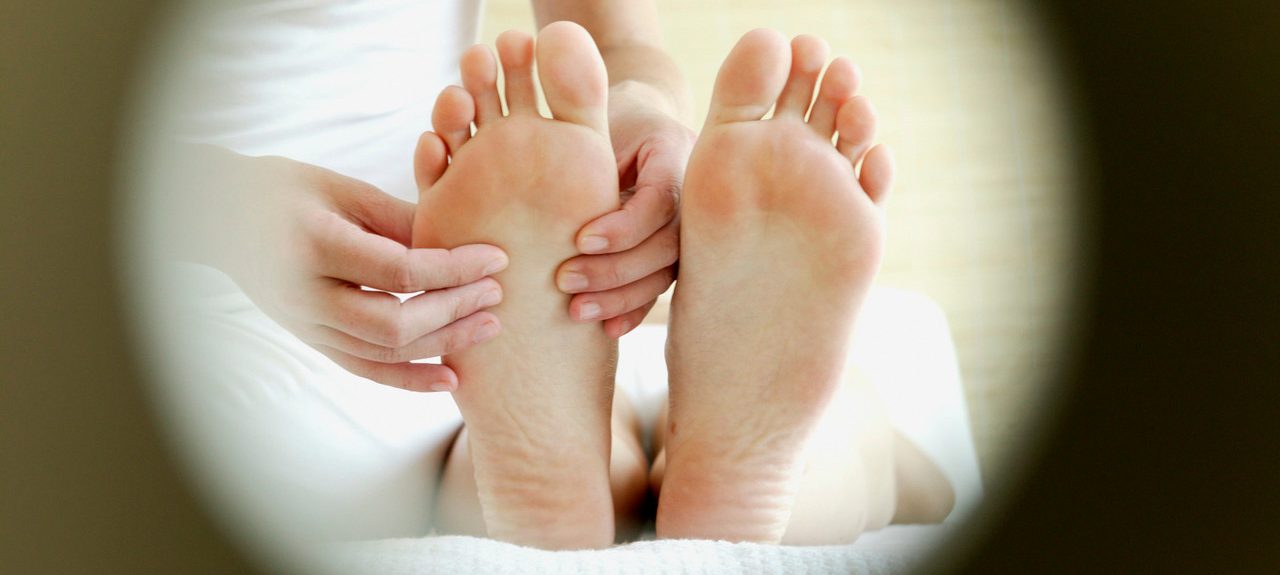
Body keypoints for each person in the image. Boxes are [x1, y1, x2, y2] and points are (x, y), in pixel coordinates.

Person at [142, 0, 957, 554]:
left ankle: (550, 496)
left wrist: (636, 113)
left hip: (262, 374)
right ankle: (791, 476)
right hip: (433, 300)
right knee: (869, 432)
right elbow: (611, 28)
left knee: (457, 435)